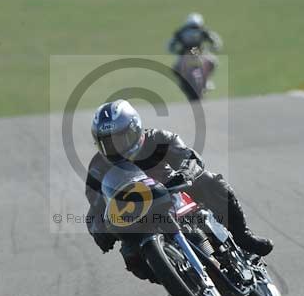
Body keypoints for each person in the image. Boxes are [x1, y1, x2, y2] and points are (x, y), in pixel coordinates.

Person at [84, 99, 273, 281]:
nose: (116, 147)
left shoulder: (158, 139)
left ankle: (243, 237)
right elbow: (95, 208)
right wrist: (98, 230)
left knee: (210, 180)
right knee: (130, 254)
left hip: (173, 191)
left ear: (135, 129)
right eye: (107, 143)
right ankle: (179, 282)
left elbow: (189, 158)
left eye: (120, 139)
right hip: (138, 214)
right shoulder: (97, 168)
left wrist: (185, 174)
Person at [167, 13, 222, 88]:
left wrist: (175, 51)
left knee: (213, 62)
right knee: (213, 62)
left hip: (193, 53)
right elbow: (214, 41)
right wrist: (214, 47)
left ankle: (204, 80)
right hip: (190, 54)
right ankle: (201, 81)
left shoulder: (182, 32)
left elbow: (170, 45)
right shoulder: (201, 31)